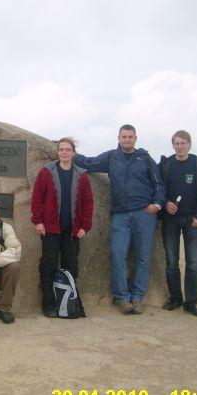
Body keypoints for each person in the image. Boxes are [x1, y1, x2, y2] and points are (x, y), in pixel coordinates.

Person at [74, 125, 165, 315]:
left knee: (142, 257)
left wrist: (156, 204)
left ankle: (138, 298)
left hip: (144, 214)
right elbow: (89, 163)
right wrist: (70, 152)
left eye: (130, 137)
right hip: (121, 214)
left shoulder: (145, 159)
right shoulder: (111, 157)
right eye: (124, 136)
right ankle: (122, 298)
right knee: (117, 254)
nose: (127, 139)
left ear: (135, 138)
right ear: (118, 138)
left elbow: (159, 185)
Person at [31, 137, 94, 317]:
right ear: (58, 152)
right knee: (48, 266)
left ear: (73, 153)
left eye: (67, 149)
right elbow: (37, 198)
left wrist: (85, 226)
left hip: (72, 231)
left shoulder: (82, 175)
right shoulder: (46, 172)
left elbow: (88, 203)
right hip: (50, 229)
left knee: (71, 267)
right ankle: (49, 305)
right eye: (61, 149)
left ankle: (68, 304)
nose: (64, 152)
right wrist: (38, 221)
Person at [159, 130, 197, 317]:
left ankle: (191, 303)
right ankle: (175, 298)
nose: (180, 146)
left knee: (193, 263)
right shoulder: (166, 165)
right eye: (176, 143)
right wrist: (166, 203)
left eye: (183, 143)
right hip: (170, 221)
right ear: (172, 145)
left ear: (189, 144)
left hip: (193, 221)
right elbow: (158, 189)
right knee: (172, 262)